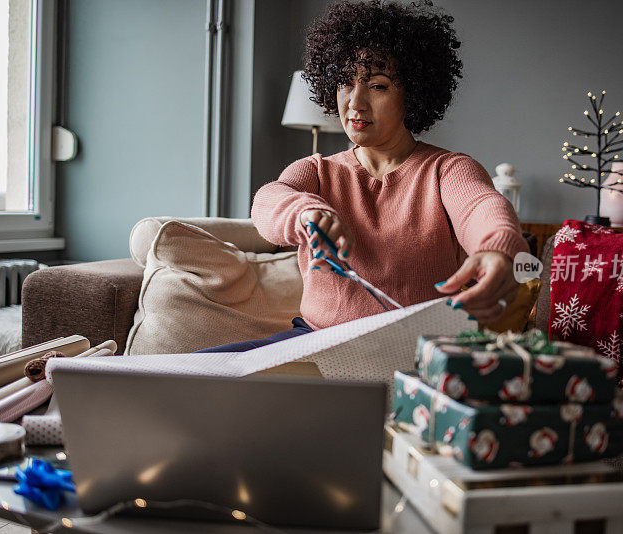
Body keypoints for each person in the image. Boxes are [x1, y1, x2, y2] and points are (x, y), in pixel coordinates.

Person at [197, 0, 528, 353]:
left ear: (412, 93)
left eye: (379, 86)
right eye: (344, 83)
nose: (356, 102)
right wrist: (306, 213)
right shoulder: (317, 171)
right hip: (315, 340)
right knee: (195, 375)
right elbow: (269, 201)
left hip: (414, 351)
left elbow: (481, 206)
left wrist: (497, 249)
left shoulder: (447, 170)